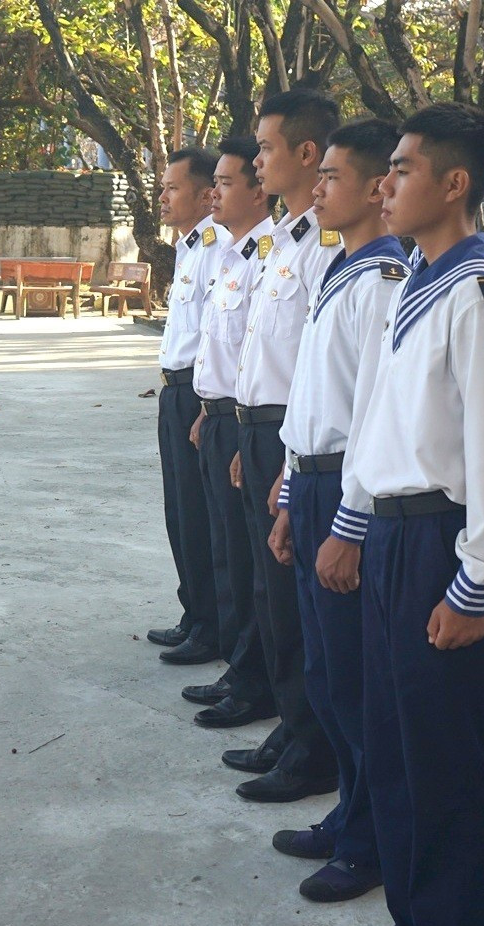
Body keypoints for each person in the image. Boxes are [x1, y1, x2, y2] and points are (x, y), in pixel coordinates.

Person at [332, 102, 484, 926]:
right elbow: (380, 418)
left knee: (449, 763)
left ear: (453, 185)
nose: (386, 183)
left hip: (446, 546)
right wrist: (350, 519)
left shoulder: (483, 296)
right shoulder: (417, 280)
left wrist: (477, 582)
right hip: (391, 537)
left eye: (404, 169)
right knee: (398, 750)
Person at [263, 117, 405, 901]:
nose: (319, 190)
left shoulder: (384, 282)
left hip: (353, 488)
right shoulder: (340, 270)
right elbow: (314, 398)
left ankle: (372, 838)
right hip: (314, 480)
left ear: (379, 188)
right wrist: (290, 487)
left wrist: (346, 522)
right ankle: (351, 810)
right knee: (326, 671)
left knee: (355, 678)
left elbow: (376, 413)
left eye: (334, 178)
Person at [222, 89, 343, 804]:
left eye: (266, 148)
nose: (258, 158)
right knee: (271, 591)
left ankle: (312, 744)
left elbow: (317, 368)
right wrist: (245, 430)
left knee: (294, 594)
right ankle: (291, 724)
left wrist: (291, 460)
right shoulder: (280, 239)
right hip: (262, 426)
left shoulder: (325, 246)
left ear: (306, 153)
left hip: (295, 431)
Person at [181, 135, 277, 731]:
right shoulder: (235, 255)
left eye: (226, 182)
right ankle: (240, 669)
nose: (213, 193)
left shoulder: (273, 253)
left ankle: (256, 679)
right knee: (225, 548)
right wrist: (209, 407)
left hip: (263, 425)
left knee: (253, 562)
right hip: (223, 413)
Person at [145, 148, 225, 667]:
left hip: (197, 393)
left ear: (204, 195)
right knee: (178, 508)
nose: (163, 197)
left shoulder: (218, 249)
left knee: (200, 513)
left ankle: (211, 624)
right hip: (173, 390)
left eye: (174, 188)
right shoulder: (189, 248)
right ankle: (192, 611)